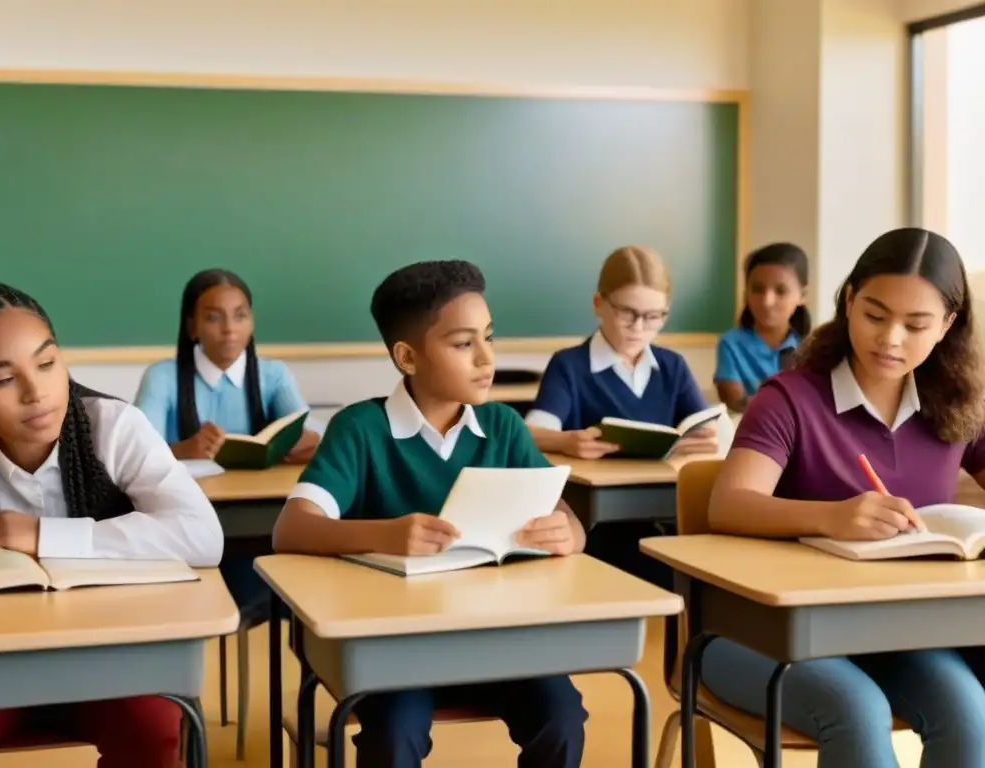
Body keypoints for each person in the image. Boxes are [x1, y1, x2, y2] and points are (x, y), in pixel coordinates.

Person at [272, 260, 588, 768]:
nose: (487, 358)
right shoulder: (360, 429)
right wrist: (386, 534)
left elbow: (565, 515)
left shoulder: (503, 426)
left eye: (489, 337)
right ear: (407, 357)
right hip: (397, 647)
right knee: (396, 730)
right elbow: (291, 528)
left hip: (497, 636)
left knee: (563, 716)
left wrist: (568, 532)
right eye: (463, 344)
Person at [703, 228, 985, 768]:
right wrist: (833, 516)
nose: (892, 339)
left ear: (947, 326)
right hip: (761, 631)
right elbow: (729, 502)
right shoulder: (788, 398)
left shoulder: (955, 405)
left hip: (895, 631)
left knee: (968, 711)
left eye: (916, 325)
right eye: (876, 316)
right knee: (855, 710)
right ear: (849, 300)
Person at [0, 279, 223, 766]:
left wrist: (42, 536)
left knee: (153, 735)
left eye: (47, 363)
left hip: (113, 657)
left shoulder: (112, 427)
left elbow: (203, 536)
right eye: (1, 380)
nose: (36, 393)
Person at [134, 267, 323, 608]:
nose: (230, 330)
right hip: (191, 513)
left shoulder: (273, 374)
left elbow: (310, 429)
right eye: (213, 318)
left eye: (241, 316)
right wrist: (182, 450)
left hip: (265, 511)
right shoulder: (163, 376)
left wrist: (304, 441)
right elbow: (136, 451)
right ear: (192, 326)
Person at [524, 245, 717, 460]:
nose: (638, 327)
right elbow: (530, 434)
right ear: (598, 304)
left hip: (665, 488)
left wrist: (706, 440)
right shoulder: (569, 365)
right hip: (594, 491)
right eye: (627, 312)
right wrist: (565, 442)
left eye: (653, 316)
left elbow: (705, 429)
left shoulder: (673, 366)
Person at [714, 243, 810, 412]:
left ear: (802, 296)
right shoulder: (731, 344)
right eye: (757, 289)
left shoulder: (812, 348)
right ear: (746, 293)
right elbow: (736, 403)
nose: (767, 302)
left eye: (781, 291)